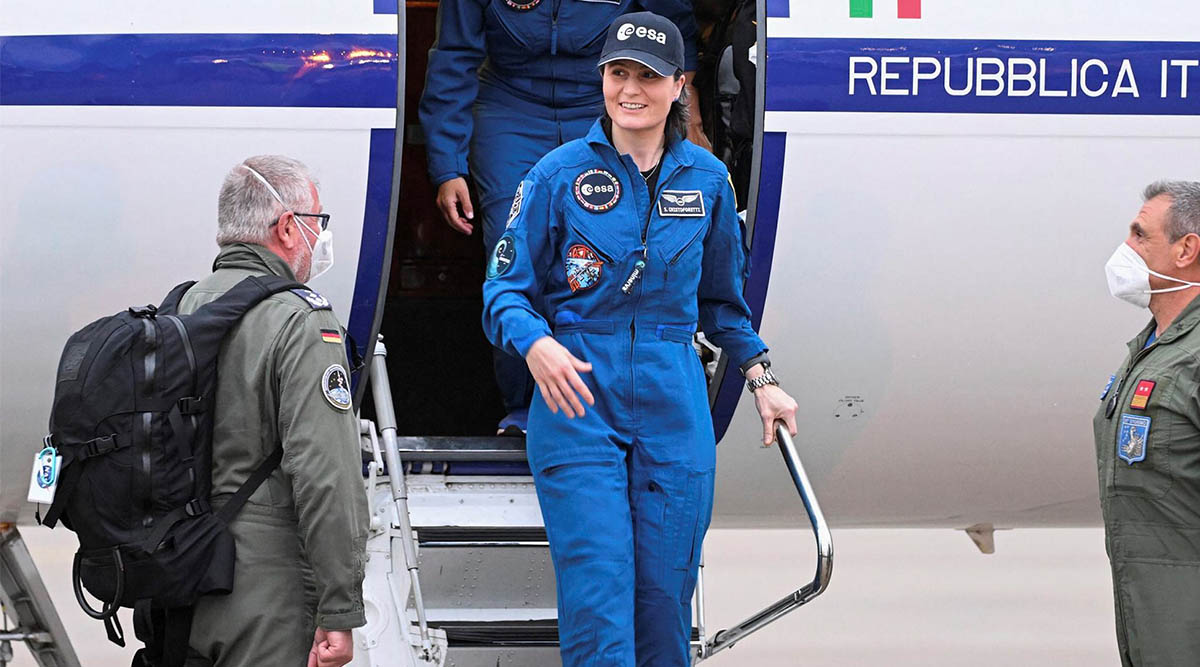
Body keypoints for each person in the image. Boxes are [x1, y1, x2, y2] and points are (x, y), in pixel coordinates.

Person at [481, 14, 797, 665]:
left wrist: (762, 380)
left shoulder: (707, 182)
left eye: (647, 76)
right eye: (618, 73)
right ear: (601, 79)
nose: (630, 89)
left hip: (671, 400)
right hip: (576, 401)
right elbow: (503, 292)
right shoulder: (553, 175)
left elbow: (722, 308)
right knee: (599, 605)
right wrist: (536, 344)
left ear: (679, 84)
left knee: (663, 609)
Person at [419, 0, 709, 434]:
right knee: (513, 252)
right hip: (509, 108)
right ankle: (524, 405)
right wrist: (447, 165)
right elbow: (454, 56)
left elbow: (675, 34)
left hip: (604, 104)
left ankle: (604, 399)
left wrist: (689, 118)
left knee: (608, 254)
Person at [180, 156, 368, 667]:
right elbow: (327, 474)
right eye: (317, 222)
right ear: (288, 227)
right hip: (266, 590)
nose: (320, 238)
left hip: (180, 574)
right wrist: (339, 608)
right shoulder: (301, 320)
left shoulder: (183, 308)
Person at [1095, 180, 1200, 666]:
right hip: (1152, 623)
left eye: (1141, 236)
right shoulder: (1154, 348)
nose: (1126, 250)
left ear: (1186, 250)